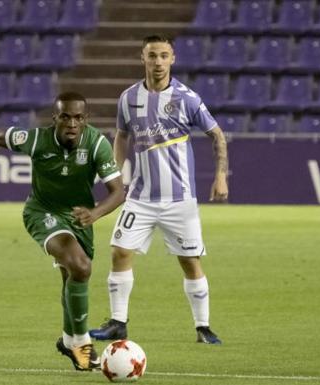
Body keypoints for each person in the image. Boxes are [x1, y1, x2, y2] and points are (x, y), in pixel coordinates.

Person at [89, 35, 228, 345]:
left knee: (189, 261)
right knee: (119, 251)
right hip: (140, 197)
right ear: (143, 58)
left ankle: (203, 327)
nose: (158, 61)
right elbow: (122, 137)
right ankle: (118, 322)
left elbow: (217, 135)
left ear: (173, 59)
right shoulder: (128, 98)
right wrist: (115, 174)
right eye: (152, 55)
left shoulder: (187, 98)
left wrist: (221, 176)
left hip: (179, 200)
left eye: (164, 55)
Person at [0, 92, 126, 370]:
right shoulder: (36, 139)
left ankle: (69, 341)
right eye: (66, 117)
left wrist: (94, 213)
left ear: (86, 120)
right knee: (80, 267)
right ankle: (82, 343)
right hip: (42, 213)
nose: (72, 123)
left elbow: (118, 193)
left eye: (78, 118)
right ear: (55, 118)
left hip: (79, 218)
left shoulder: (96, 144)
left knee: (71, 278)